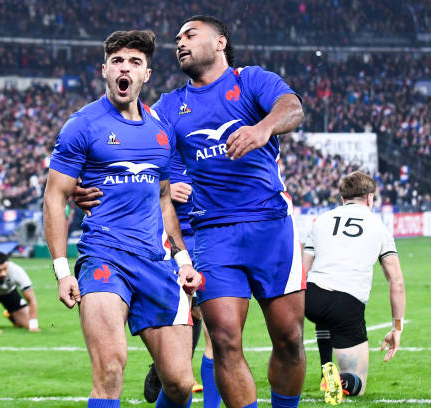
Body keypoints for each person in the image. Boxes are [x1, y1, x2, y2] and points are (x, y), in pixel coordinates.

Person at [74, 15, 306, 408]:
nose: (179, 42)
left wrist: (263, 128)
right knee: (226, 341)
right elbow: (133, 144)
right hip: (214, 235)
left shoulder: (250, 81)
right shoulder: (169, 107)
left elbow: (292, 107)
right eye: (177, 37)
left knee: (289, 338)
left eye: (190, 35)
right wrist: (86, 183)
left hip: (271, 225)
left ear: (219, 43)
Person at [42, 30, 202, 408]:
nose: (124, 68)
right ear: (104, 70)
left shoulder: (161, 130)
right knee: (111, 369)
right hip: (104, 258)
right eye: (117, 61)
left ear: (147, 74)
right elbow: (55, 196)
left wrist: (183, 261)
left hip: (155, 262)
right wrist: (62, 270)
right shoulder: (81, 125)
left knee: (179, 384)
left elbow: (164, 201)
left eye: (134, 62)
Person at [302, 171, 406, 405]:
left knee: (324, 311)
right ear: (370, 199)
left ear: (342, 199)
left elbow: (303, 269)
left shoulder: (322, 221)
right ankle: (341, 379)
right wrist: (396, 328)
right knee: (358, 384)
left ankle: (324, 368)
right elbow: (396, 281)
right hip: (346, 303)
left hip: (311, 297)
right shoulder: (378, 226)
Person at [143, 152, 221, 408]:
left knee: (216, 332)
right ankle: (164, 365)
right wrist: (162, 191)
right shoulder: (159, 147)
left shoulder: (213, 149)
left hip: (210, 241)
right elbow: (131, 184)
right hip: (170, 246)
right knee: (185, 317)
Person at [0, 251, 40, 333]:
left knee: (27, 324)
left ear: (8, 264)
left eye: (5, 269)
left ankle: (9, 314)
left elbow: (31, 299)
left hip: (10, 293)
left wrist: (34, 326)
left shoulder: (17, 271)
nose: (3, 273)